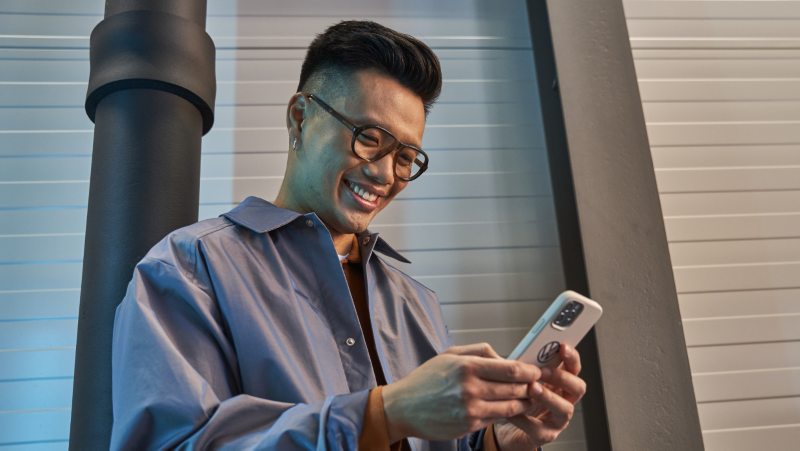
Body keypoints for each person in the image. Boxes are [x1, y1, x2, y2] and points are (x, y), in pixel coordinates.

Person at [110, 20, 586, 450]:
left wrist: (501, 441)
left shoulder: (416, 304)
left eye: (405, 158)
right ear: (300, 118)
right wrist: (385, 414)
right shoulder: (188, 269)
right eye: (369, 137)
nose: (384, 175)